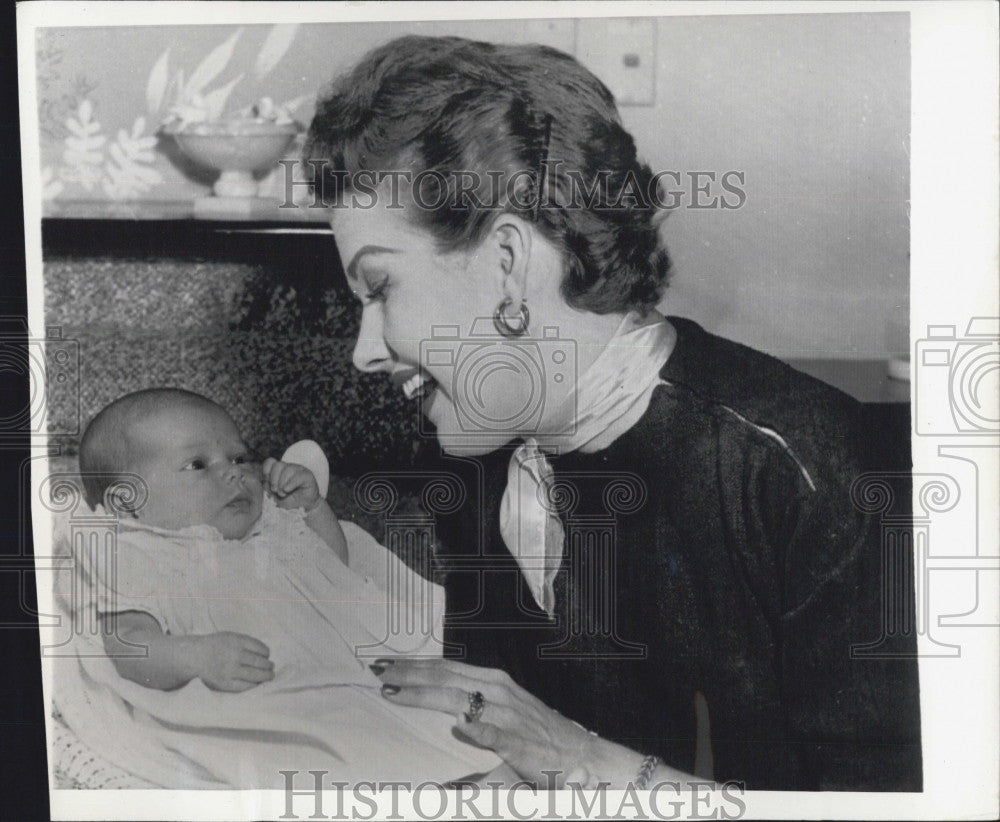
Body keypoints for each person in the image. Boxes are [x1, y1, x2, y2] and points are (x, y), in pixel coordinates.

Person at [303, 35, 922, 791]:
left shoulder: (802, 468)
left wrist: (581, 761)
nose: (364, 352)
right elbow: (502, 750)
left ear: (507, 262)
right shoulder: (482, 450)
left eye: (379, 289)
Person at [56, 387, 500, 787]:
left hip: (344, 667)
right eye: (197, 465)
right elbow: (127, 643)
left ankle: (463, 775)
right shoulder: (135, 553)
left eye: (239, 457)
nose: (234, 473)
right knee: (330, 747)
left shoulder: (267, 527)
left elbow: (331, 567)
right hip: (265, 690)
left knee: (430, 718)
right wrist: (194, 656)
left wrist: (312, 509)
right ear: (126, 503)